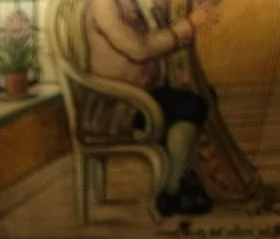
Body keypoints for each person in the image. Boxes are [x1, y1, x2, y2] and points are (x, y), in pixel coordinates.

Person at [84, 0, 223, 216]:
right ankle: (174, 188)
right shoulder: (102, 5)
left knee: (199, 100)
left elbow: (156, 39)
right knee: (192, 105)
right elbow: (139, 48)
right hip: (120, 105)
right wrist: (188, 25)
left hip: (141, 97)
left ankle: (175, 185)